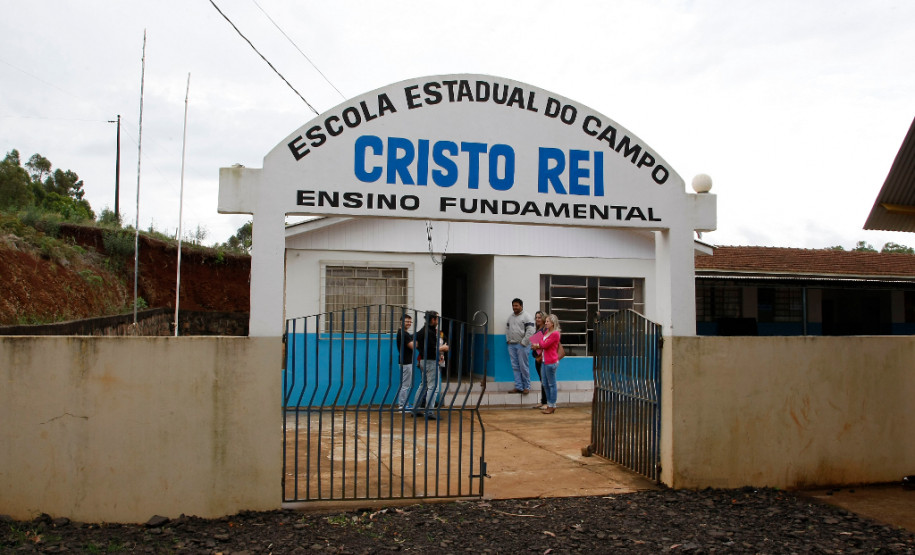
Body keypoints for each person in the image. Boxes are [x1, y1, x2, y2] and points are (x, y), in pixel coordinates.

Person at [413, 311, 449, 420]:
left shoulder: (421, 331)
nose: (438, 321)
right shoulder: (430, 332)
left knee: (423, 385)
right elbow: (432, 348)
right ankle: (429, 412)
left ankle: (416, 408)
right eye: (437, 319)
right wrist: (443, 348)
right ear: (433, 320)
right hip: (430, 361)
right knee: (433, 387)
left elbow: (417, 345)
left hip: (423, 361)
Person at [531, 313, 561, 414]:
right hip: (545, 361)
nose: (546, 323)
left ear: (552, 323)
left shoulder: (555, 334)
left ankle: (552, 405)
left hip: (551, 361)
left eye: (548, 321)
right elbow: (542, 342)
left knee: (551, 384)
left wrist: (537, 345)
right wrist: (537, 345)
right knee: (544, 383)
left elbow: (545, 344)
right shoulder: (547, 331)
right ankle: (549, 403)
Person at [505, 298, 535, 394]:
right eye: (513, 306)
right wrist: (508, 340)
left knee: (523, 367)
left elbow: (531, 331)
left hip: (522, 345)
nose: (514, 307)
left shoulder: (527, 316)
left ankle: (527, 387)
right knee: (515, 367)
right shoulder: (511, 317)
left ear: (521, 306)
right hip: (512, 345)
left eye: (516, 305)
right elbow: (507, 328)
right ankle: (518, 387)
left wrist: (524, 342)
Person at [528, 311, 549, 410]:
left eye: (539, 317)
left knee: (545, 380)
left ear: (544, 318)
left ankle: (547, 402)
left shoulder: (545, 330)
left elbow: (545, 344)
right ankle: (543, 401)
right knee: (542, 380)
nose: (537, 319)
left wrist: (539, 352)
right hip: (537, 358)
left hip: (542, 358)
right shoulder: (538, 329)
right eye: (536, 317)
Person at [395, 314, 415, 411]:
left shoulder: (404, 333)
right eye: (407, 321)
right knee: (405, 385)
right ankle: (402, 405)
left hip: (405, 361)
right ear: (401, 321)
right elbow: (413, 346)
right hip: (406, 362)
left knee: (404, 384)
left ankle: (404, 403)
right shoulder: (403, 333)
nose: (409, 323)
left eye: (410, 322)